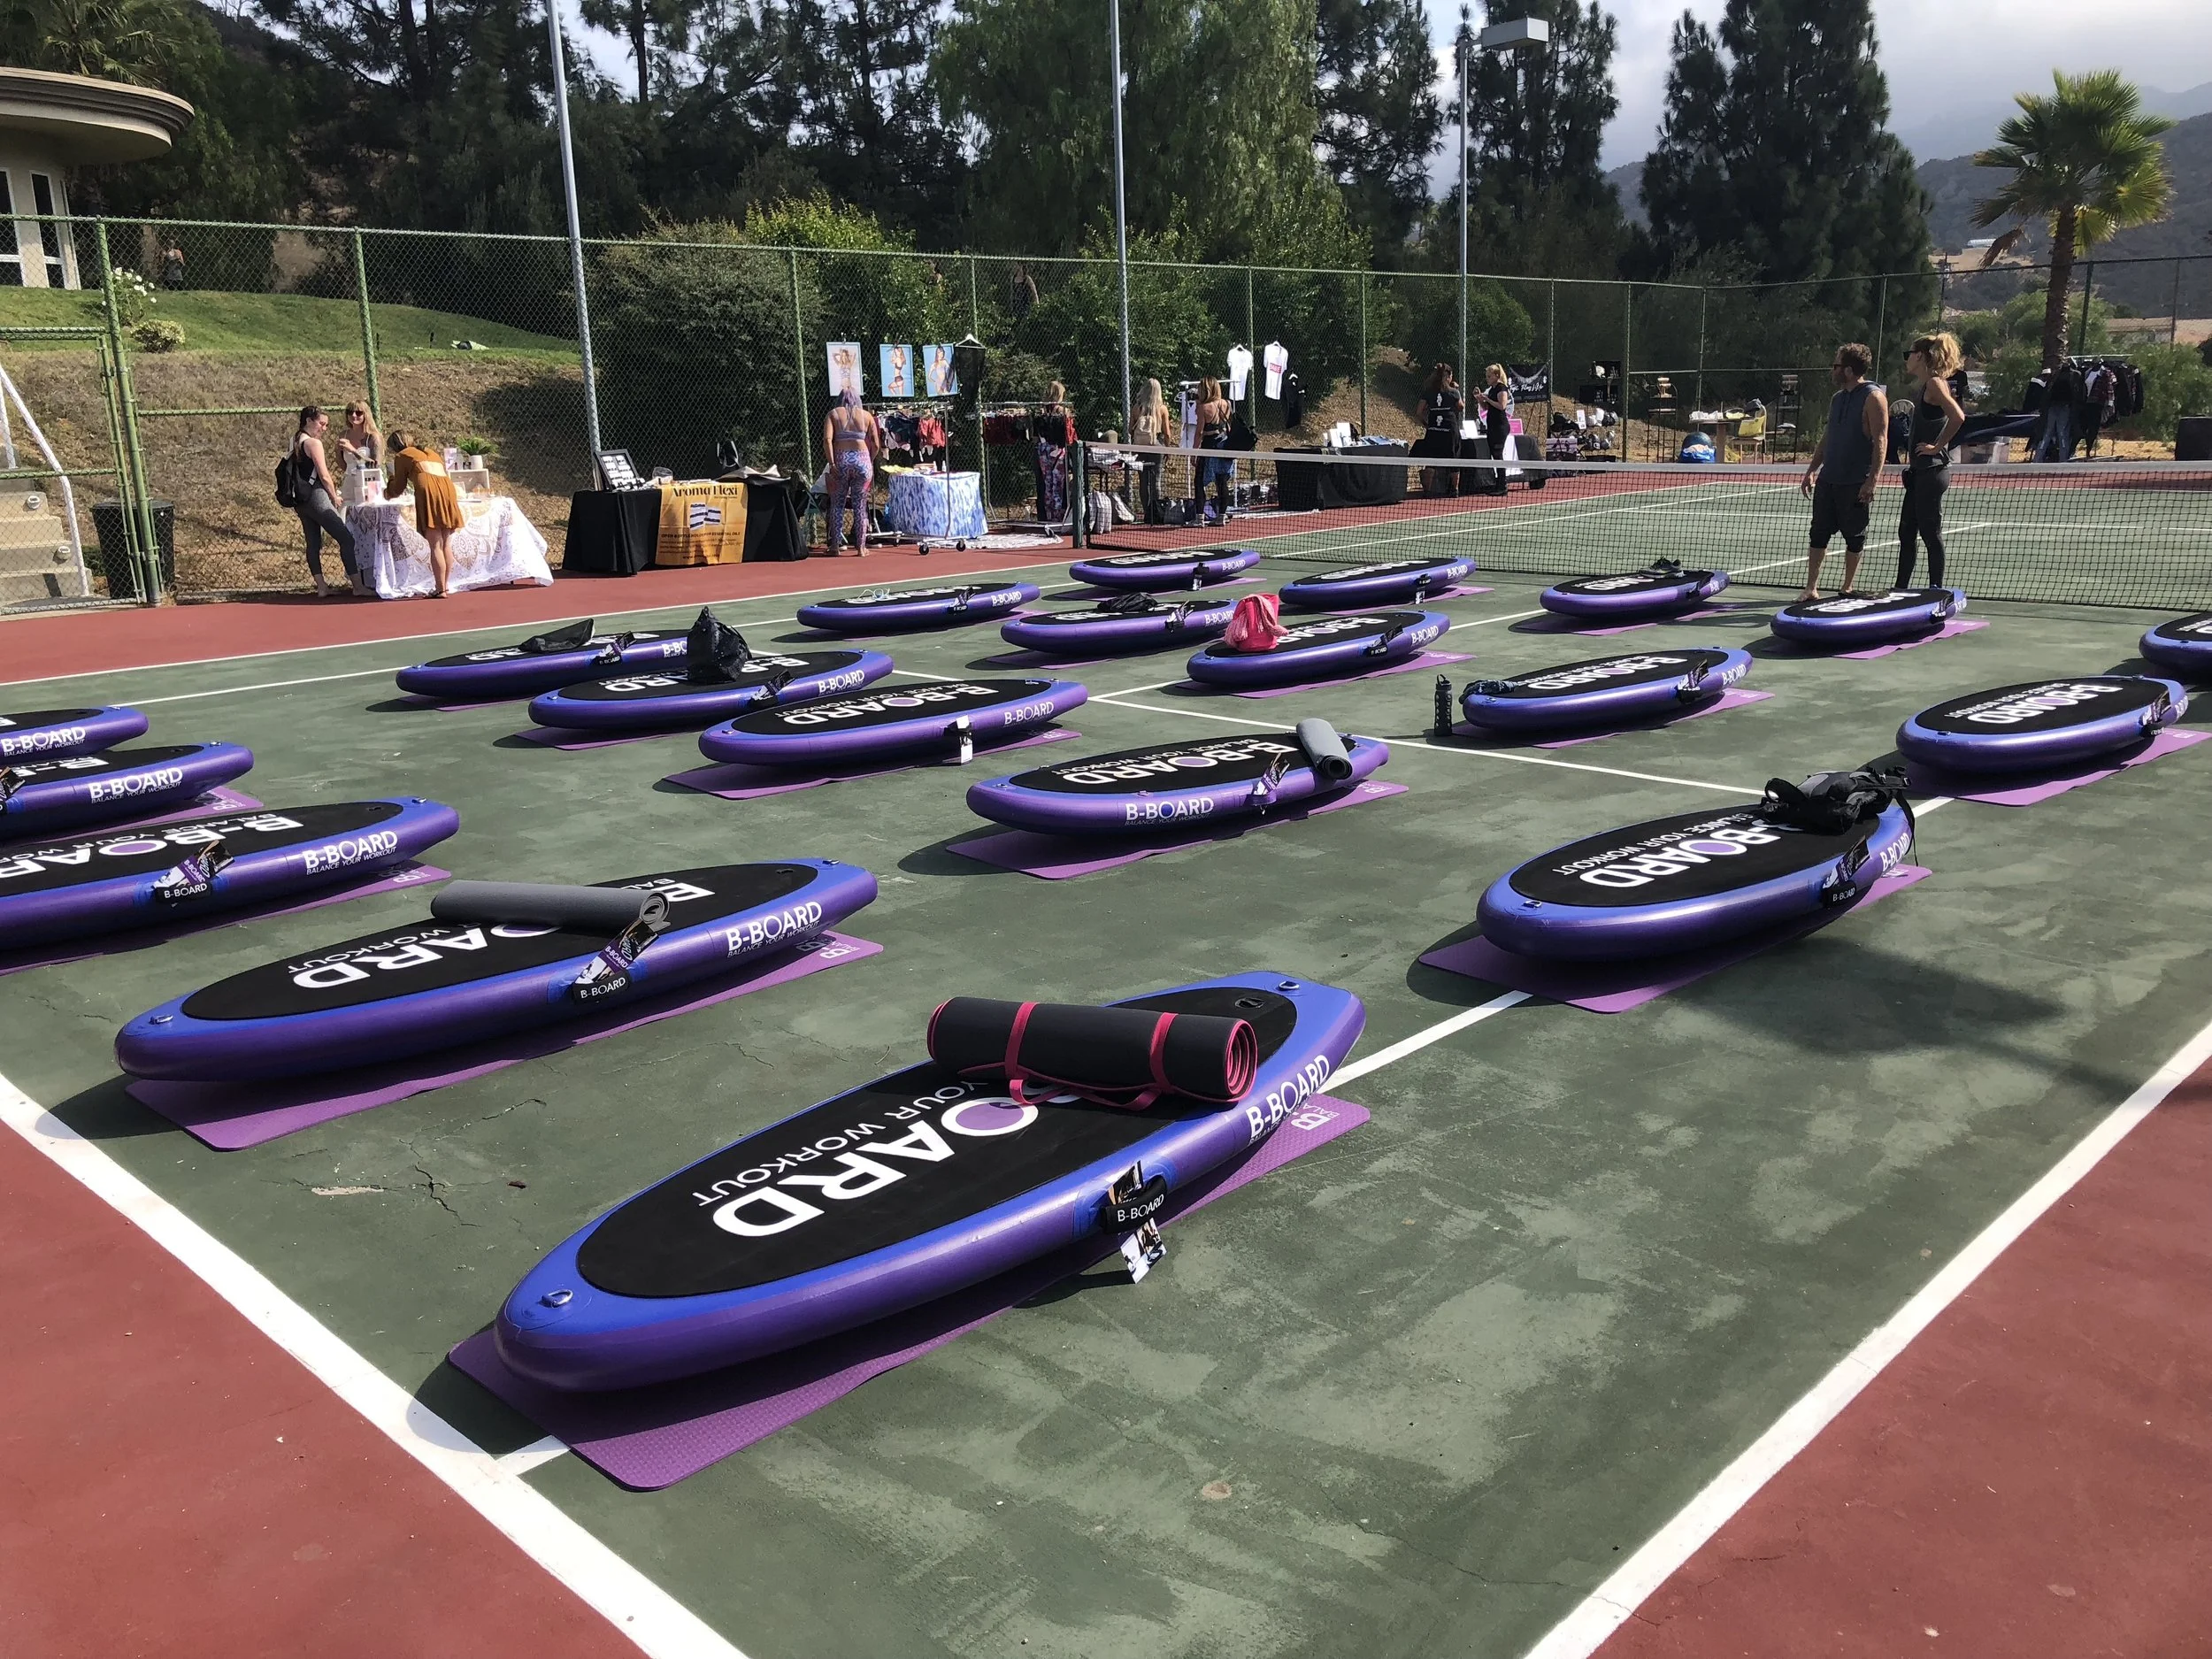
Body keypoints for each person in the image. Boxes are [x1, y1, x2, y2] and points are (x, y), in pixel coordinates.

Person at [1797, 342, 1889, 600]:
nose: (1832, 370)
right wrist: (1812, 469)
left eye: (1836, 365)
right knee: (1818, 533)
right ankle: (1811, 588)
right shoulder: (1837, 399)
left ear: (1848, 370)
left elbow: (1881, 440)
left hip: (1855, 481)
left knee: (1855, 537)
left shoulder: (1873, 397)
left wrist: (1872, 480)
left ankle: (1846, 587)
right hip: (1829, 480)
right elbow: (1828, 436)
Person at [1896, 333, 1966, 590]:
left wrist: (1937, 446)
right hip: (1919, 472)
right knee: (1906, 532)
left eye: (1909, 354)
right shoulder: (1926, 386)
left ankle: (1936, 589)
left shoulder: (1936, 384)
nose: (1907, 359)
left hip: (1932, 471)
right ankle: (1901, 589)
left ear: (1921, 356)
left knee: (1930, 533)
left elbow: (1958, 417)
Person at [288, 405, 361, 599]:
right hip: (316, 496)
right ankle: (358, 585)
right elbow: (324, 474)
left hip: (301, 500)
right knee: (346, 538)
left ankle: (321, 587)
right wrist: (333, 496)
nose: (324, 429)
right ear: (309, 421)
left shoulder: (295, 440)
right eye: (321, 424)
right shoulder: (313, 443)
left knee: (313, 543)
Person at [384, 427, 465, 597]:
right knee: (445, 543)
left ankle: (440, 588)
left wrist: (388, 490)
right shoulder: (429, 451)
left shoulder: (402, 456)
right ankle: (444, 585)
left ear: (394, 446)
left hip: (428, 491)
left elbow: (398, 487)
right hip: (447, 489)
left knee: (435, 543)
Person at [822, 386, 882, 556]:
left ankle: (835, 546)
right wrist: (869, 459)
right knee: (860, 505)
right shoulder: (867, 416)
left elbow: (827, 440)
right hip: (862, 460)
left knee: (837, 504)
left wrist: (832, 463)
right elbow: (876, 443)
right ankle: (861, 548)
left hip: (841, 460)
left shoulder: (833, 414)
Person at [1187, 376, 1234, 526]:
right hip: (1224, 445)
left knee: (1199, 481)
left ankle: (1199, 518)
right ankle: (1222, 515)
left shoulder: (1203, 407)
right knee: (1222, 482)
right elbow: (1229, 427)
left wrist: (1195, 452)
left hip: (1209, 447)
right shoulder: (1226, 404)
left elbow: (1199, 432)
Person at [1413, 362, 1463, 495]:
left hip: (1434, 430)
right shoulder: (1454, 392)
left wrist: (1427, 424)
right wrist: (1456, 392)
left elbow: (1419, 412)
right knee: (1454, 459)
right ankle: (1454, 490)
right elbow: (1461, 407)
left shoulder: (1428, 392)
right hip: (1450, 430)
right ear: (1448, 376)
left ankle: (1427, 491)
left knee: (1431, 461)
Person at [1132, 377, 1171, 525]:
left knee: (1143, 481)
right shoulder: (1162, 409)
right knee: (1156, 480)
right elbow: (1167, 433)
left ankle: (1147, 512)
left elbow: (1131, 429)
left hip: (1140, 447)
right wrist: (1168, 449)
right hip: (1157, 445)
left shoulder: (1137, 408)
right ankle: (1157, 512)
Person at [1037, 380, 1075, 526]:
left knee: (1048, 484)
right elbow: (1069, 435)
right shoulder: (1063, 411)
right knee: (1057, 484)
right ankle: (1058, 517)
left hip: (1043, 449)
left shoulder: (1042, 410)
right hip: (1058, 450)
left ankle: (1049, 514)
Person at [1477, 364, 1512, 495]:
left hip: (1500, 426)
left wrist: (1488, 400)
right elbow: (1486, 408)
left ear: (1497, 376)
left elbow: (1502, 406)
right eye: (1487, 376)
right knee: (1495, 455)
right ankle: (1499, 484)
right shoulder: (1492, 389)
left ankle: (1502, 486)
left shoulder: (1502, 388)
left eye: (1490, 376)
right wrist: (1481, 399)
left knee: (1498, 454)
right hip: (1492, 426)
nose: (1487, 378)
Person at [334, 402, 381, 472]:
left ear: (365, 415)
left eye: (358, 413)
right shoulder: (343, 435)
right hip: (350, 478)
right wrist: (338, 451)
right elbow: (344, 467)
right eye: (350, 412)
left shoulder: (373, 436)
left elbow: (375, 465)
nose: (354, 415)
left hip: (369, 479)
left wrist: (353, 450)